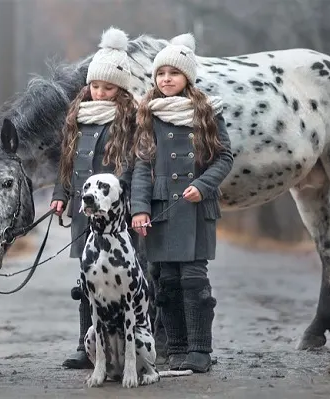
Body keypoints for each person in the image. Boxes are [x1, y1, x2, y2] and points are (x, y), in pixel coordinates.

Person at [130, 33, 234, 373]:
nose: (166, 79)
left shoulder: (207, 112)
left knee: (193, 278)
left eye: (174, 73)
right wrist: (140, 208)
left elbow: (224, 158)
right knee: (166, 281)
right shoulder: (147, 115)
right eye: (161, 74)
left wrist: (203, 186)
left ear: (187, 77)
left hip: (195, 208)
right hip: (160, 210)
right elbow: (142, 167)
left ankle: (200, 350)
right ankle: (175, 349)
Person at [50, 26, 138, 369]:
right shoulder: (78, 118)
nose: (100, 93)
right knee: (87, 277)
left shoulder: (129, 120)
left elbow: (132, 166)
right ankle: (86, 345)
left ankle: (132, 342)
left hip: (116, 217)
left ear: (121, 90)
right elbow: (67, 163)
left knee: (122, 276)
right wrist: (61, 194)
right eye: (95, 86)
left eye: (108, 87)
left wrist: (125, 205)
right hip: (85, 214)